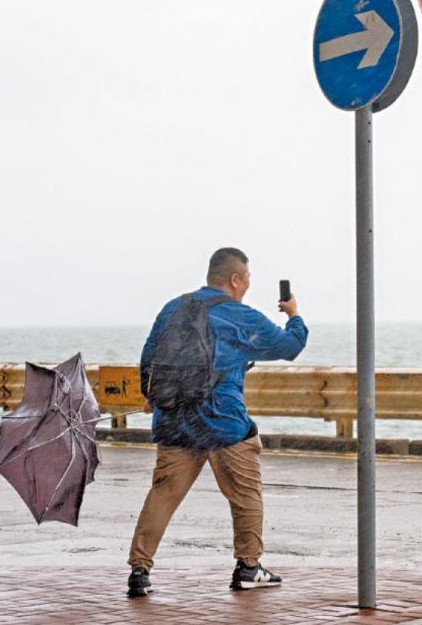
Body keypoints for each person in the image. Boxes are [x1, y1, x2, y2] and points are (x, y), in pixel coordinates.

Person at [126, 247, 308, 597]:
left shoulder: (172, 308)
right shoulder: (240, 316)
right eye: (247, 279)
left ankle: (139, 570)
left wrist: (153, 399)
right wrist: (294, 314)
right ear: (235, 279)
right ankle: (248, 567)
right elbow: (290, 346)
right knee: (246, 494)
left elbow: (148, 357)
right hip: (222, 421)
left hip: (174, 419)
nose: (248, 286)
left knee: (163, 494)